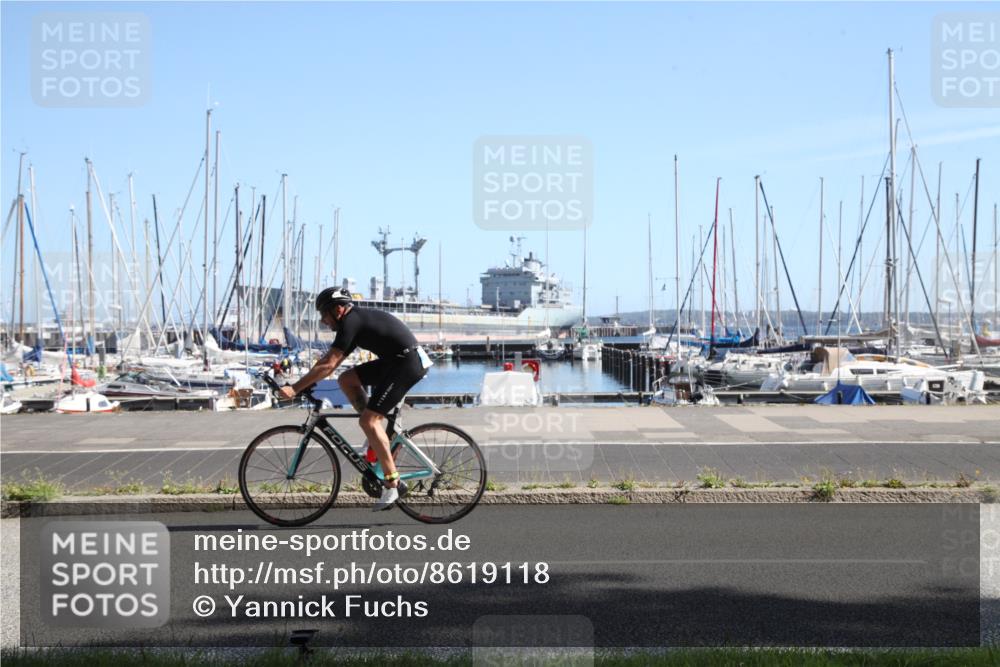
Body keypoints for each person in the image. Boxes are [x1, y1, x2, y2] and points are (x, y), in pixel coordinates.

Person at [279, 287, 432, 510]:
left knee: (368, 421)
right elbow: (329, 363)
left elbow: (328, 364)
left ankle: (392, 484)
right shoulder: (351, 322)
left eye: (323, 314)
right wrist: (306, 383)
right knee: (347, 379)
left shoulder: (352, 322)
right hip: (395, 362)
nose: (323, 321)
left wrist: (295, 388)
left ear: (338, 309)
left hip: (407, 364)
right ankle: (376, 434)